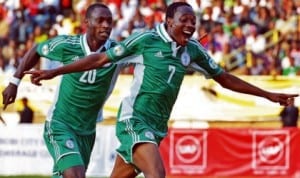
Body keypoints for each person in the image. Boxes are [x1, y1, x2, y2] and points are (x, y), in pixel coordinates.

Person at [24, 2, 299, 178]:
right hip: (134, 120)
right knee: (157, 174)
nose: (190, 25)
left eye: (193, 21)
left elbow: (224, 78)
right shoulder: (145, 40)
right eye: (185, 20)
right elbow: (100, 58)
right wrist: (54, 71)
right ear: (169, 22)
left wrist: (268, 95)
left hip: (157, 126)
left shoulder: (192, 50)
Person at [1, 3, 132, 178]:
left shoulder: (118, 52)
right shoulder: (68, 45)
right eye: (100, 20)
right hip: (60, 124)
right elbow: (37, 50)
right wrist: (14, 82)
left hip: (87, 130)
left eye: (109, 21)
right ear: (86, 22)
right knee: (76, 175)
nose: (106, 25)